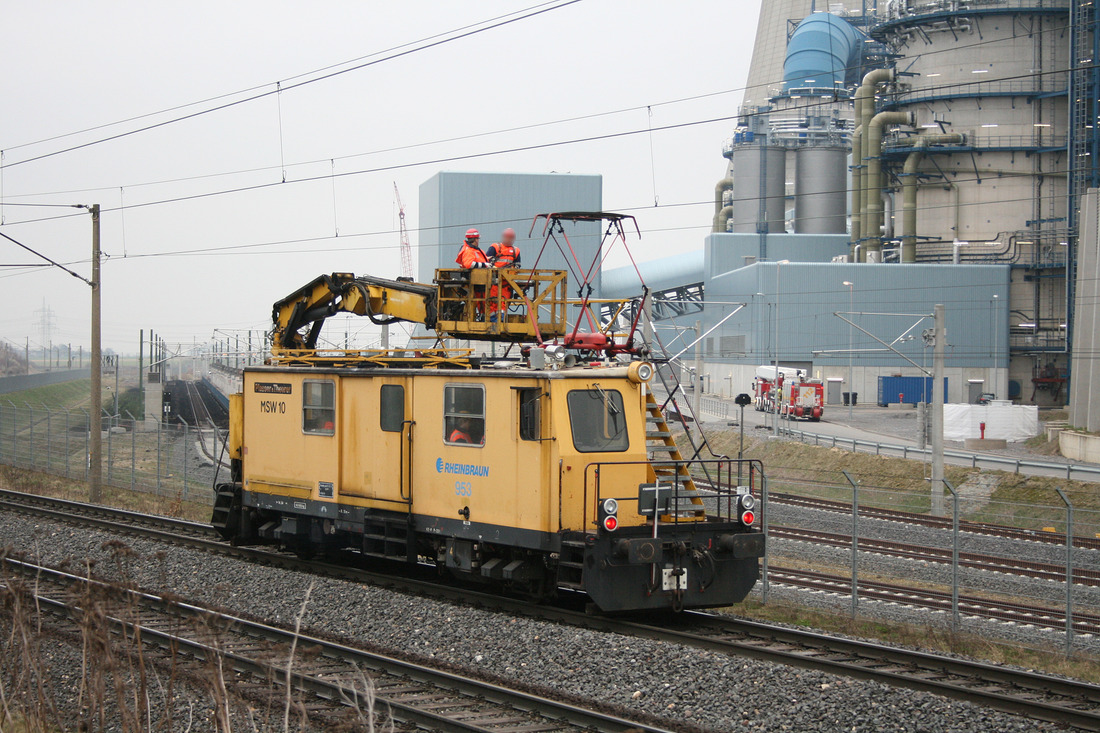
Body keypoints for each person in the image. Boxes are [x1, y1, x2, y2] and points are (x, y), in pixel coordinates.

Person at [487, 228, 521, 322]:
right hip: (494, 280)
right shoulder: (495, 247)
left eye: (511, 238)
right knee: (493, 300)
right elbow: (486, 261)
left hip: (507, 282)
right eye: (508, 238)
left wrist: (512, 273)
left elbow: (518, 266)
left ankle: (501, 319)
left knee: (503, 301)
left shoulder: (516, 251)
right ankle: (492, 319)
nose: (509, 240)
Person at [455, 228, 489, 319]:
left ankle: (484, 315)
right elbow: (468, 264)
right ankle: (483, 316)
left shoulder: (474, 250)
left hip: (480, 279)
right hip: (475, 280)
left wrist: (488, 261)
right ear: (475, 239)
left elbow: (480, 260)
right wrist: (486, 265)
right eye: (478, 238)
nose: (478, 240)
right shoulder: (468, 250)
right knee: (481, 298)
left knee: (483, 298)